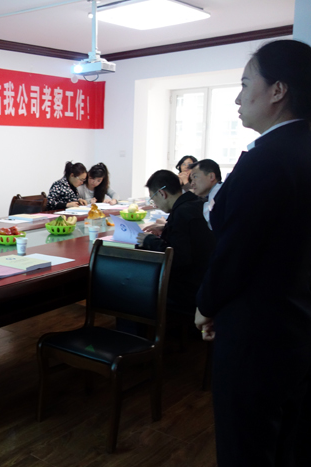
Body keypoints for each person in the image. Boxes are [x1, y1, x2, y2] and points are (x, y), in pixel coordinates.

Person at [194, 40, 311, 467]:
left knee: (246, 446)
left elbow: (236, 250)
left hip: (257, 333)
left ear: (278, 90)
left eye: (245, 84)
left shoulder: (266, 159)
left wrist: (206, 305)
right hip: (298, 326)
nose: (238, 97)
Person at [136, 170, 216, 318]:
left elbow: (178, 258)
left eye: (153, 199)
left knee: (135, 286)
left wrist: (150, 240)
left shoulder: (181, 214)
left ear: (162, 193)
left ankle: (144, 331)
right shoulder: (197, 203)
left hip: (188, 288)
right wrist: (167, 227)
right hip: (207, 281)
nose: (155, 205)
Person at [188, 159, 222, 229]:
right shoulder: (216, 194)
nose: (192, 184)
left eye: (195, 177)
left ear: (211, 176)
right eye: (191, 179)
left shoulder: (219, 197)